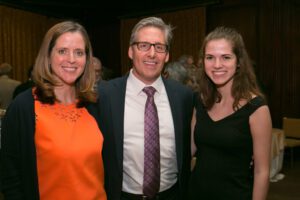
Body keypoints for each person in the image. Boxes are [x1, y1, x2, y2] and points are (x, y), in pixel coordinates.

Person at [1, 21, 107, 200]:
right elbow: (9, 175)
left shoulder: (96, 105)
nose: (71, 59)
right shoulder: (24, 107)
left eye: (79, 52)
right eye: (62, 51)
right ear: (48, 55)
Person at [97, 17, 194, 200]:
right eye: (143, 46)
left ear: (167, 55)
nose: (152, 54)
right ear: (130, 51)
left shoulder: (183, 96)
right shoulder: (106, 95)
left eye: (159, 47)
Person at [188, 26, 272, 200]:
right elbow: (188, 149)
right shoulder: (200, 101)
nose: (217, 65)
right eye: (210, 57)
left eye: (226, 57)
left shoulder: (256, 108)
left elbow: (262, 172)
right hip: (195, 194)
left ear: (239, 61)